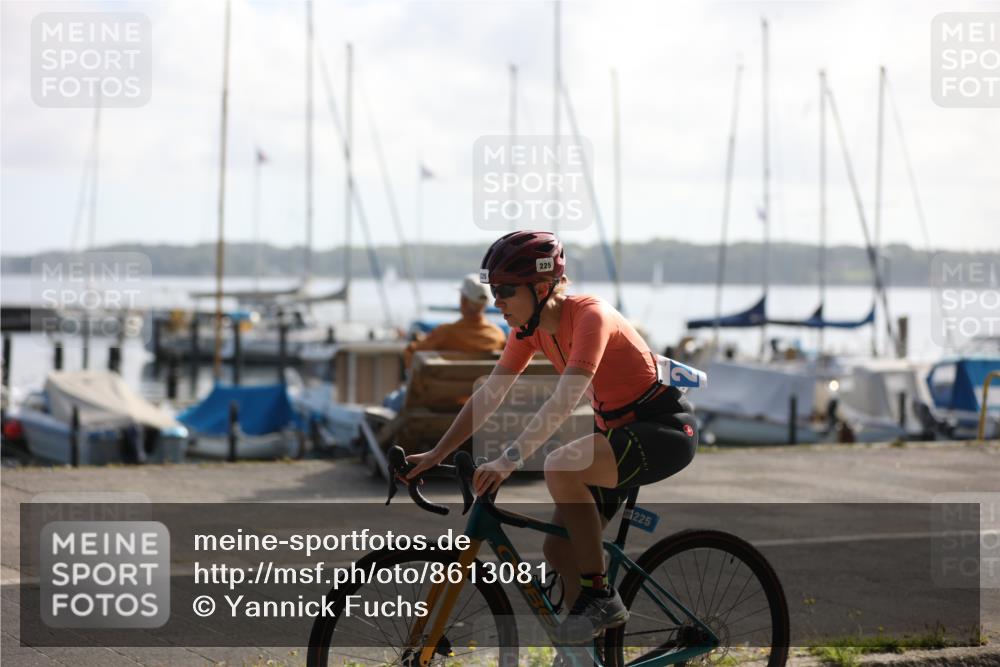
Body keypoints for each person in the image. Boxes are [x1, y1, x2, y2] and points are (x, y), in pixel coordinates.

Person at [405, 230, 698, 645]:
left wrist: (508, 460)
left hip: (663, 428)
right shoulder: (528, 330)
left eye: (506, 291)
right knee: (559, 551)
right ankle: (582, 654)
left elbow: (563, 402)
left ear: (542, 288)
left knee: (561, 466)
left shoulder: (591, 317)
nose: (496, 301)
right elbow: (490, 394)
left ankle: (600, 596)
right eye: (493, 291)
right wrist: (436, 453)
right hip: (616, 432)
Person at [402, 273, 507, 369]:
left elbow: (411, 352)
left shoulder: (445, 333)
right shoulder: (498, 335)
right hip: (485, 384)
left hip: (444, 384)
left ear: (463, 301)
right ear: (485, 304)